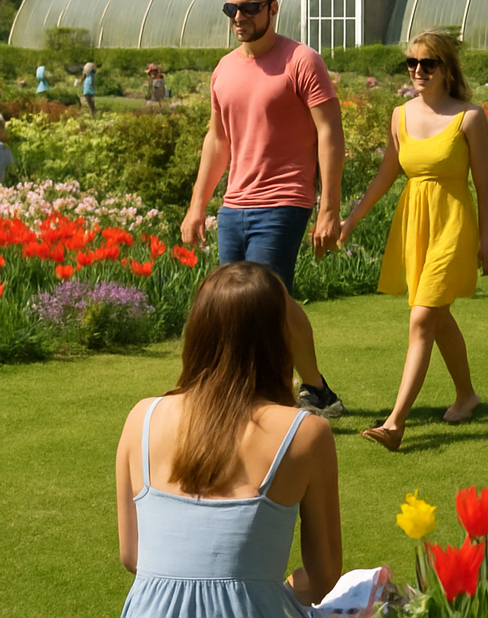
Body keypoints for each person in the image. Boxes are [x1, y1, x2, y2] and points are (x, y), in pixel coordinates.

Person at [115, 261, 389, 618]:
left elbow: (132, 556)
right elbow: (322, 579)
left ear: (196, 332)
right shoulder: (306, 432)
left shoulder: (141, 417)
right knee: (374, 588)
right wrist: (266, 587)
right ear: (280, 337)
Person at [182, 0, 347, 417]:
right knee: (246, 304)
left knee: (264, 303)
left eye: (250, 7)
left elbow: (330, 135)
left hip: (284, 200)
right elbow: (218, 140)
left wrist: (328, 210)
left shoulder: (301, 60)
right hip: (234, 207)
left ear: (273, 8)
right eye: (231, 8)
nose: (240, 16)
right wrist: (198, 205)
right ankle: (315, 389)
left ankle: (262, 394)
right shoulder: (225, 68)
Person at [340, 31, 488, 451]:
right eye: (411, 63)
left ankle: (395, 423)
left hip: (453, 224)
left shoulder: (470, 117)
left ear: (447, 69)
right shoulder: (400, 115)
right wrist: (350, 219)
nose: (418, 71)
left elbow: (483, 184)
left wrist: (487, 241)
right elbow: (386, 175)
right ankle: (466, 396)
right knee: (437, 317)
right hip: (415, 223)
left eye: (427, 64)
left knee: (423, 318)